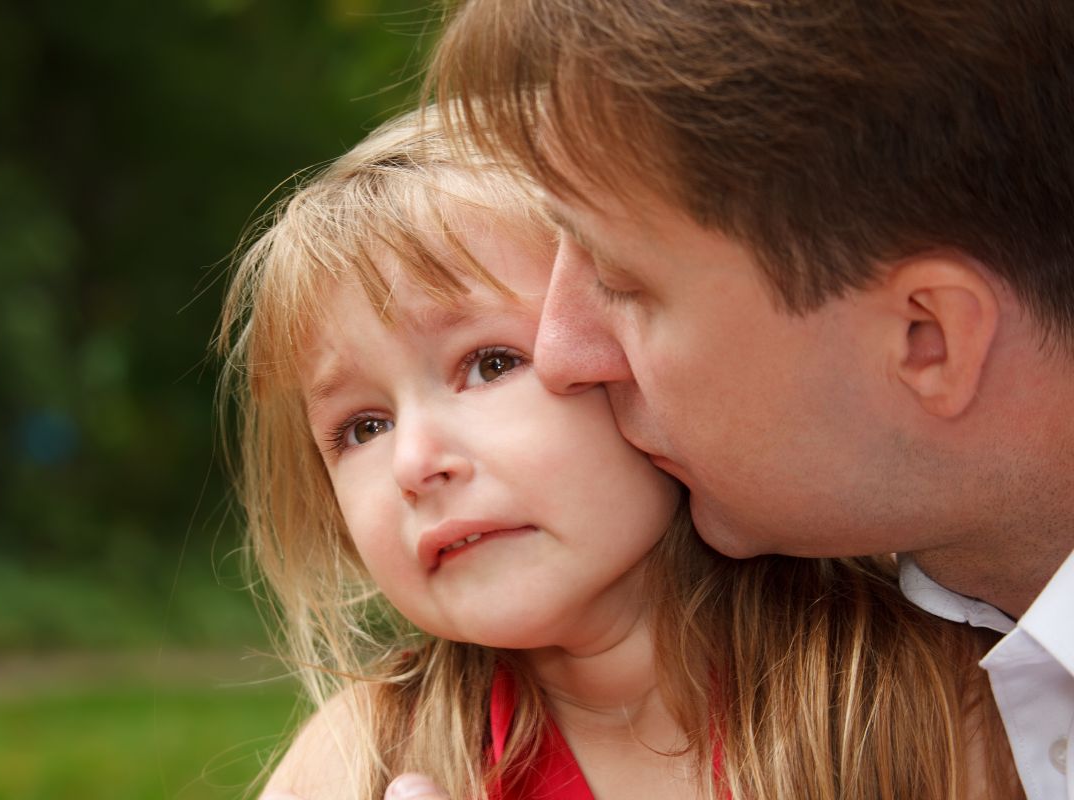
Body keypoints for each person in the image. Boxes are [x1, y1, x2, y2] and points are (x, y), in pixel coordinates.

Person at [218, 107, 1019, 800]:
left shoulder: (922, 700)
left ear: (624, 352)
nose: (415, 461)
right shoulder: (360, 761)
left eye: (491, 364)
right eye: (362, 426)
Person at [419, 1, 1074, 799]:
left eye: (622, 282)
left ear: (925, 338)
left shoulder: (877, 720)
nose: (558, 355)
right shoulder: (410, 740)